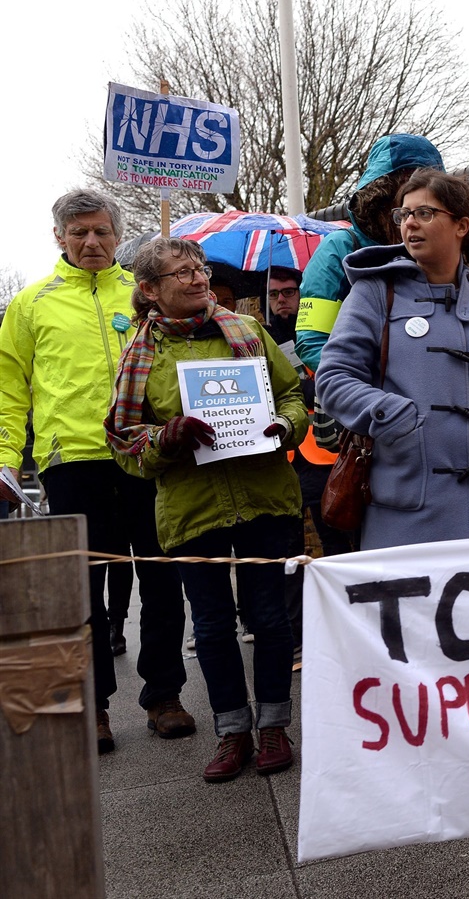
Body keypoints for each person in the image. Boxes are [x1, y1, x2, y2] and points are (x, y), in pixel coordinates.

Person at [106, 238, 307, 783]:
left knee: (269, 619)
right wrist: (165, 438)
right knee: (214, 627)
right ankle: (231, 731)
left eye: (199, 269)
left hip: (266, 499)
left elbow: (293, 398)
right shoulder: (140, 355)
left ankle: (273, 726)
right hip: (194, 512)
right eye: (182, 273)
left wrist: (285, 427)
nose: (198, 278)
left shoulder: (246, 330)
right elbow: (124, 442)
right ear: (149, 291)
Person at [0, 190, 194, 752]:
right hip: (73, 461)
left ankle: (164, 696)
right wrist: (7, 458)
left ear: (118, 233)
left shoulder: (146, 297)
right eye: (79, 232)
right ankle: (94, 708)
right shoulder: (31, 305)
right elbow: (10, 391)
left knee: (161, 577)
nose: (92, 242)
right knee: (82, 591)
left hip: (145, 454)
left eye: (103, 231)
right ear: (59, 236)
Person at [317, 168, 469, 549]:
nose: (409, 224)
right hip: (410, 508)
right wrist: (397, 420)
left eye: (424, 213)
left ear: (461, 225)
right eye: (403, 215)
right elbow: (335, 378)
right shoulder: (374, 293)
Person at [295, 134, 445, 379]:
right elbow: (313, 341)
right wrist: (368, 393)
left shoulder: (440, 253)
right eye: (409, 187)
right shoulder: (341, 248)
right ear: (383, 192)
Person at [265, 265, 348, 670]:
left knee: (335, 549)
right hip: (278, 459)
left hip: (320, 457)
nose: (282, 299)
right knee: (288, 555)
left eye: (290, 292)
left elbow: (336, 384)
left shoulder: (320, 332)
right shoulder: (256, 337)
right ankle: (296, 641)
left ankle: (341, 634)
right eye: (275, 293)